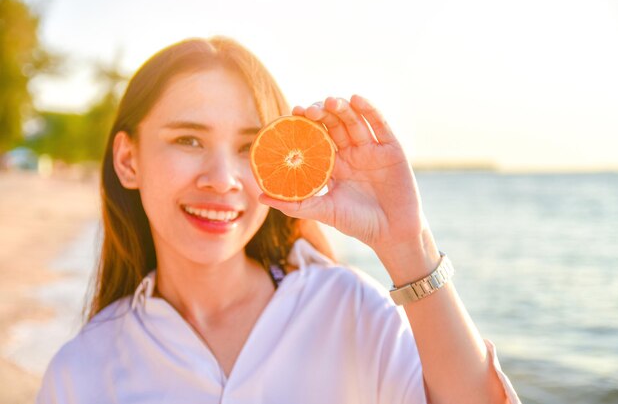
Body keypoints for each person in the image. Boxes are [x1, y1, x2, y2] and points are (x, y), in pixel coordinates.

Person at [36, 37, 520, 404]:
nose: (223, 179)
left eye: (249, 147)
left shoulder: (348, 310)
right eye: (188, 140)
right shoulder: (80, 372)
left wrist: (406, 243)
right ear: (128, 160)